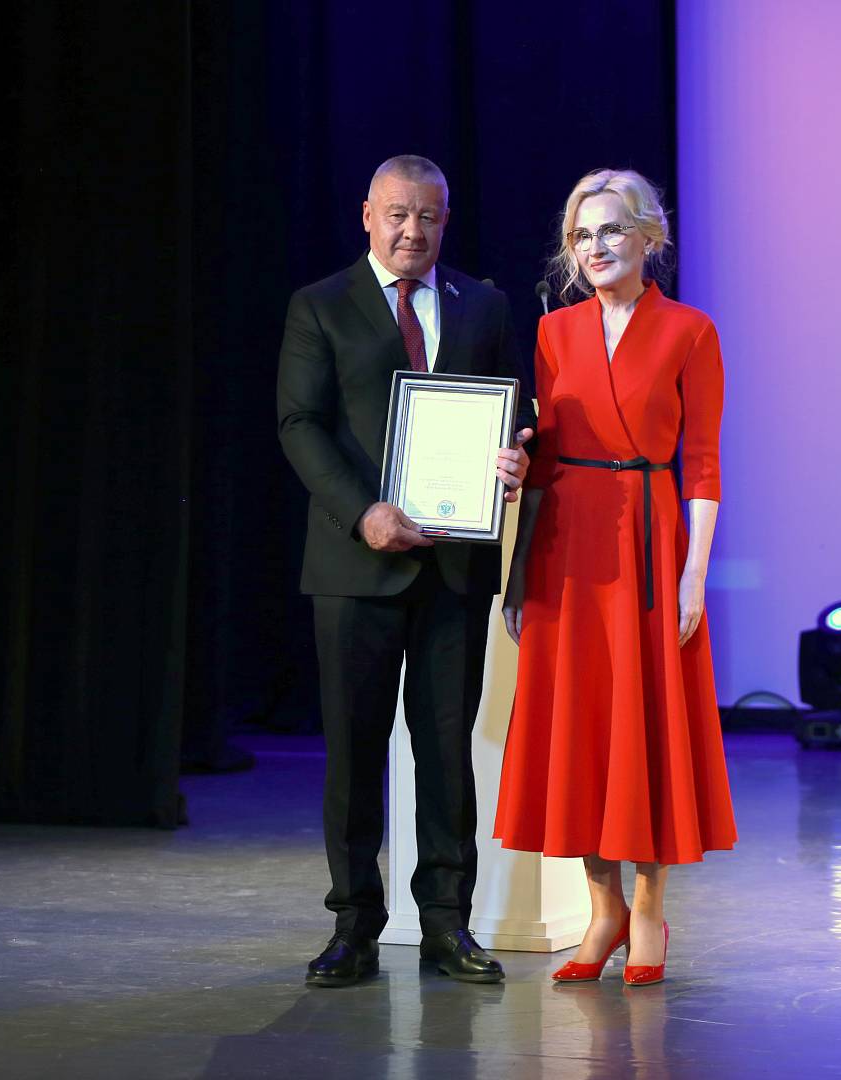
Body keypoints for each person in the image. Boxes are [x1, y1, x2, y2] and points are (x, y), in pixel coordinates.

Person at [277, 155, 534, 988]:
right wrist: (365, 512)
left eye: (427, 216)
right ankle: (354, 925)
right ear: (368, 215)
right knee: (354, 753)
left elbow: (514, 414)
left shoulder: (482, 305)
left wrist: (515, 459)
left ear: (445, 220)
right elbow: (300, 424)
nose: (412, 230)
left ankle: (447, 925)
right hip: (355, 564)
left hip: (454, 568)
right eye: (397, 214)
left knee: (447, 753)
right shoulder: (321, 304)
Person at [493, 168, 736, 986]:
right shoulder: (555, 332)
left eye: (609, 230)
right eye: (580, 235)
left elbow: (703, 464)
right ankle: (603, 912)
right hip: (568, 547)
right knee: (585, 727)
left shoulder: (689, 331)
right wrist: (519, 568)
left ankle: (649, 909)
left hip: (649, 546)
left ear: (648, 238)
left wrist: (694, 575)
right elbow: (544, 460)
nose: (593, 247)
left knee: (645, 722)